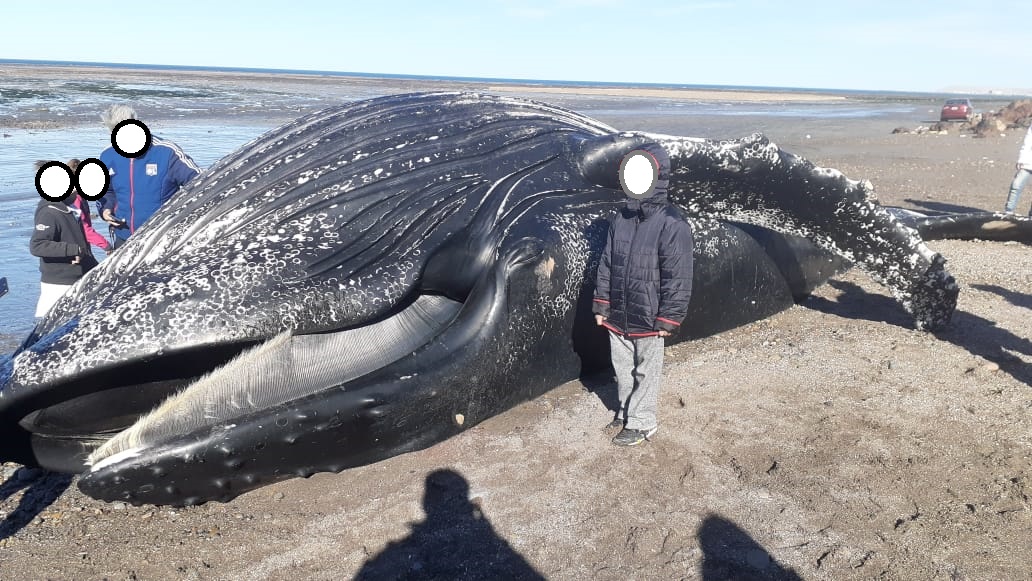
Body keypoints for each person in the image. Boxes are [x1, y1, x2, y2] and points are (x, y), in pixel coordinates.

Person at [593, 143, 694, 447]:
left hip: (650, 314)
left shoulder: (672, 223)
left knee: (646, 370)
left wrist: (669, 317)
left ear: (658, 176)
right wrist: (602, 304)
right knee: (623, 366)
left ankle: (642, 421)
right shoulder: (620, 218)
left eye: (644, 171)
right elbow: (607, 262)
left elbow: (679, 275)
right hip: (619, 311)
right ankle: (626, 411)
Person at [98, 104, 200, 248]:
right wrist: (105, 210)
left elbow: (201, 182)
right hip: (123, 236)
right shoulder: (108, 155)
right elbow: (105, 191)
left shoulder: (166, 152)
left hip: (161, 238)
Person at [30, 161, 100, 318]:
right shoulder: (49, 212)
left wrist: (95, 268)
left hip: (76, 276)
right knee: (48, 322)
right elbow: (37, 245)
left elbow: (80, 244)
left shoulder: (70, 209)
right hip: (58, 281)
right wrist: (71, 250)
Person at [65, 158, 112, 253]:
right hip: (77, 248)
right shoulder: (76, 200)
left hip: (72, 246)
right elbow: (84, 229)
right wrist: (106, 245)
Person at [1004, 124, 1032, 216]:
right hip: (1029, 161)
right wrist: (1021, 159)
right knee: (1016, 185)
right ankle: (1008, 212)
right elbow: (1028, 141)